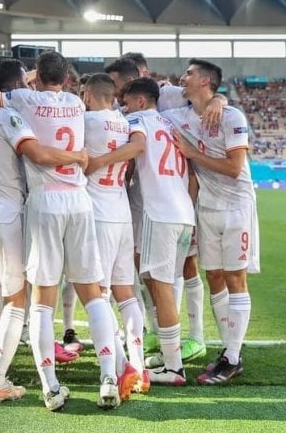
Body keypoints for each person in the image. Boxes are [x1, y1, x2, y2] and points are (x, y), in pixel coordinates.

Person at [0, 51, 121, 411]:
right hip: (80, 200)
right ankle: (108, 378)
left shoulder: (23, 98)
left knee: (42, 299)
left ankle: (52, 388)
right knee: (93, 293)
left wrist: (24, 82)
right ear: (68, 78)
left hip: (45, 202)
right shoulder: (75, 101)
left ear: (36, 74)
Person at [0, 58, 89, 404]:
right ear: (16, 85)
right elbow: (36, 153)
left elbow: (8, 88)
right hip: (5, 217)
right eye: (25, 81)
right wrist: (77, 157)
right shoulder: (10, 116)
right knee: (16, 300)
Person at [87, 77, 195, 386]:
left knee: (158, 289)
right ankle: (167, 355)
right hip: (184, 213)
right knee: (162, 286)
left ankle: (174, 368)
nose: (121, 105)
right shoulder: (171, 123)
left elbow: (133, 148)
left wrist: (98, 162)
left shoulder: (134, 120)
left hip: (158, 214)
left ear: (140, 102)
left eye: (126, 100)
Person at [169, 58, 259, 385]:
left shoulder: (231, 116)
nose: (183, 77)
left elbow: (235, 168)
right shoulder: (178, 115)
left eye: (190, 74)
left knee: (235, 278)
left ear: (205, 81)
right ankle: (227, 351)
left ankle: (232, 357)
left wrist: (192, 154)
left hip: (236, 207)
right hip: (207, 206)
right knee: (214, 275)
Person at [83, 73, 147, 395]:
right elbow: (139, 146)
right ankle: (140, 366)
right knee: (127, 292)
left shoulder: (85, 120)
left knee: (100, 294)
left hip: (98, 215)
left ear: (88, 95)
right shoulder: (126, 123)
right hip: (122, 213)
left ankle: (121, 368)